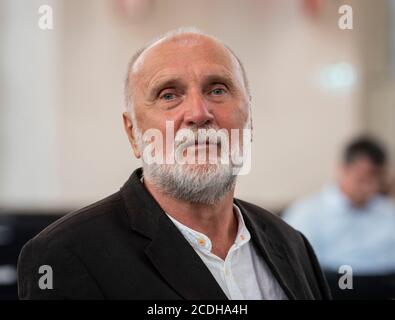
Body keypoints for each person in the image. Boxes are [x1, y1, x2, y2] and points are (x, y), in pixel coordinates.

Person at [17, 27, 330, 300]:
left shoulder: (292, 245)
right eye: (169, 95)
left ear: (250, 120)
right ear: (133, 133)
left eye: (218, 90)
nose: (198, 113)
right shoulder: (66, 255)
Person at [283, 137, 395, 276]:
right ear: (343, 170)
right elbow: (297, 266)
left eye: (375, 180)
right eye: (362, 180)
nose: (369, 188)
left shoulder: (388, 212)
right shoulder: (306, 213)